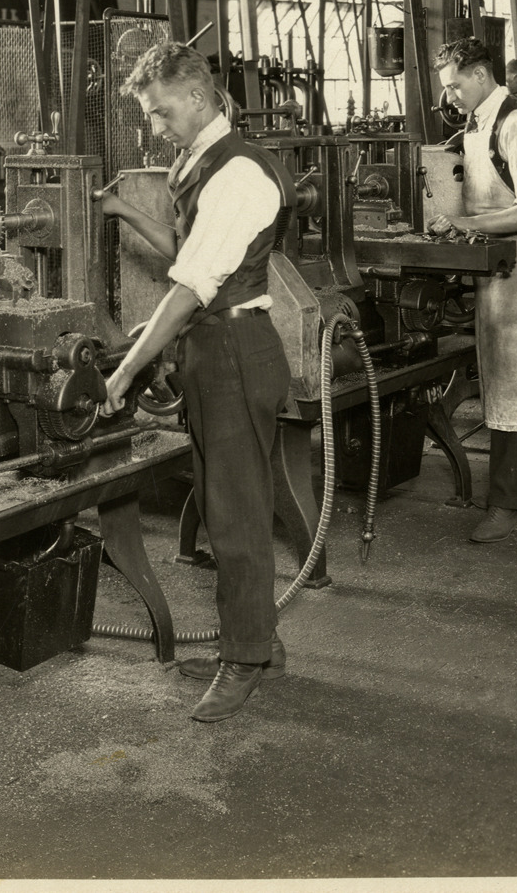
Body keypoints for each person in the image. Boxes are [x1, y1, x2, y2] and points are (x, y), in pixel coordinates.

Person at [98, 42, 293, 723]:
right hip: (215, 348)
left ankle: (245, 660)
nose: (155, 127)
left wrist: (129, 366)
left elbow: (189, 288)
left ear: (199, 97)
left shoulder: (238, 172)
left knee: (235, 515)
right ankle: (258, 637)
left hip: (236, 350)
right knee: (226, 505)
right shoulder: (200, 161)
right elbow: (190, 254)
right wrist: (125, 213)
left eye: (160, 113)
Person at [428, 38, 517, 542]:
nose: (450, 96)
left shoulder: (516, 124)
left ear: (481, 75)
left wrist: (467, 224)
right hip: (494, 260)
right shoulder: (477, 124)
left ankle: (506, 503)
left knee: (511, 381)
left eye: (455, 85)